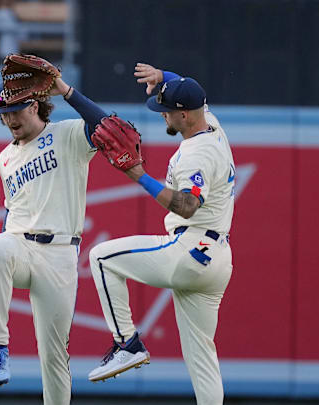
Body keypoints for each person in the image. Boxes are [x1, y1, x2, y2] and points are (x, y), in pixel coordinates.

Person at [86, 63, 235, 405]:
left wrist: (138, 175)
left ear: (184, 115)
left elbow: (186, 205)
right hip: (218, 259)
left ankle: (127, 343)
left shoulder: (195, 154)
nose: (163, 117)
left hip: (190, 247)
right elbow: (194, 95)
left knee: (102, 257)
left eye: (167, 112)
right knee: (202, 359)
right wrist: (164, 76)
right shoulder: (212, 125)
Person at [0, 71, 108, 405]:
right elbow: (12, 209)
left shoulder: (66, 133)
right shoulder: (5, 157)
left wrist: (66, 91)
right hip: (20, 244)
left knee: (54, 356)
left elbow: (106, 127)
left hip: (61, 254)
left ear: (34, 105)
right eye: (3, 113)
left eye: (15, 110)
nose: (9, 119)